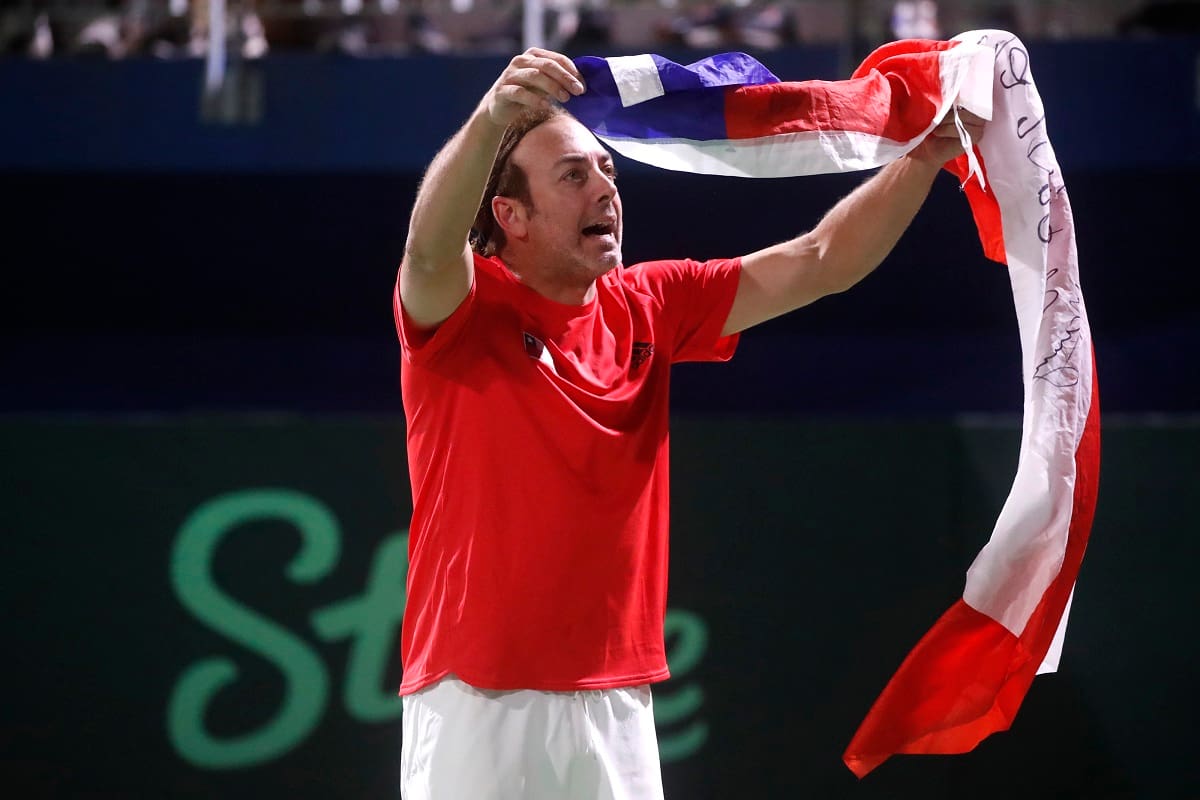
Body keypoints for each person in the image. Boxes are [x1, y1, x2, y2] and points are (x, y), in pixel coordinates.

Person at [394, 47, 983, 799]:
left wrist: (926, 156)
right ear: (509, 216)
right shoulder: (462, 312)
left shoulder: (652, 305)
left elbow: (821, 259)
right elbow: (428, 245)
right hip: (477, 695)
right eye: (573, 175)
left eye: (607, 172)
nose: (605, 189)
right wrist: (491, 120)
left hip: (619, 697)